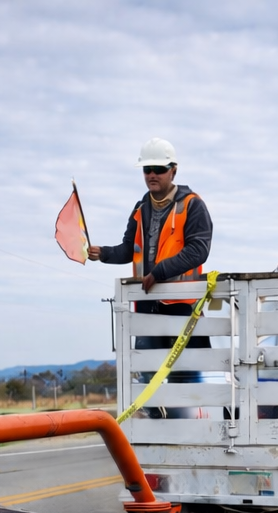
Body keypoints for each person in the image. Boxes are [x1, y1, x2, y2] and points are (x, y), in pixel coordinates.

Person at [88, 138, 213, 416]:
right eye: (147, 169)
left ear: (174, 171)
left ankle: (188, 432)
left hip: (183, 306)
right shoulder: (140, 208)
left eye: (158, 168)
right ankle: (159, 430)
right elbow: (127, 249)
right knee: (145, 373)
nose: (152, 175)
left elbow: (198, 250)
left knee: (185, 375)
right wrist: (103, 253)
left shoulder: (193, 205)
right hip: (146, 306)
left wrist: (159, 271)